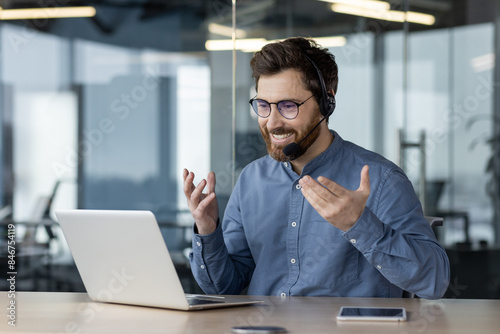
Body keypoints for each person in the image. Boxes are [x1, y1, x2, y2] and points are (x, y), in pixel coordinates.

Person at [183, 37, 450, 299]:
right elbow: (223, 289)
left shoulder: (381, 179)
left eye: (288, 106)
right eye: (263, 106)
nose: (272, 122)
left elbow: (434, 282)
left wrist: (359, 225)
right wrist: (207, 230)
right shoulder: (252, 179)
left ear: (326, 103)